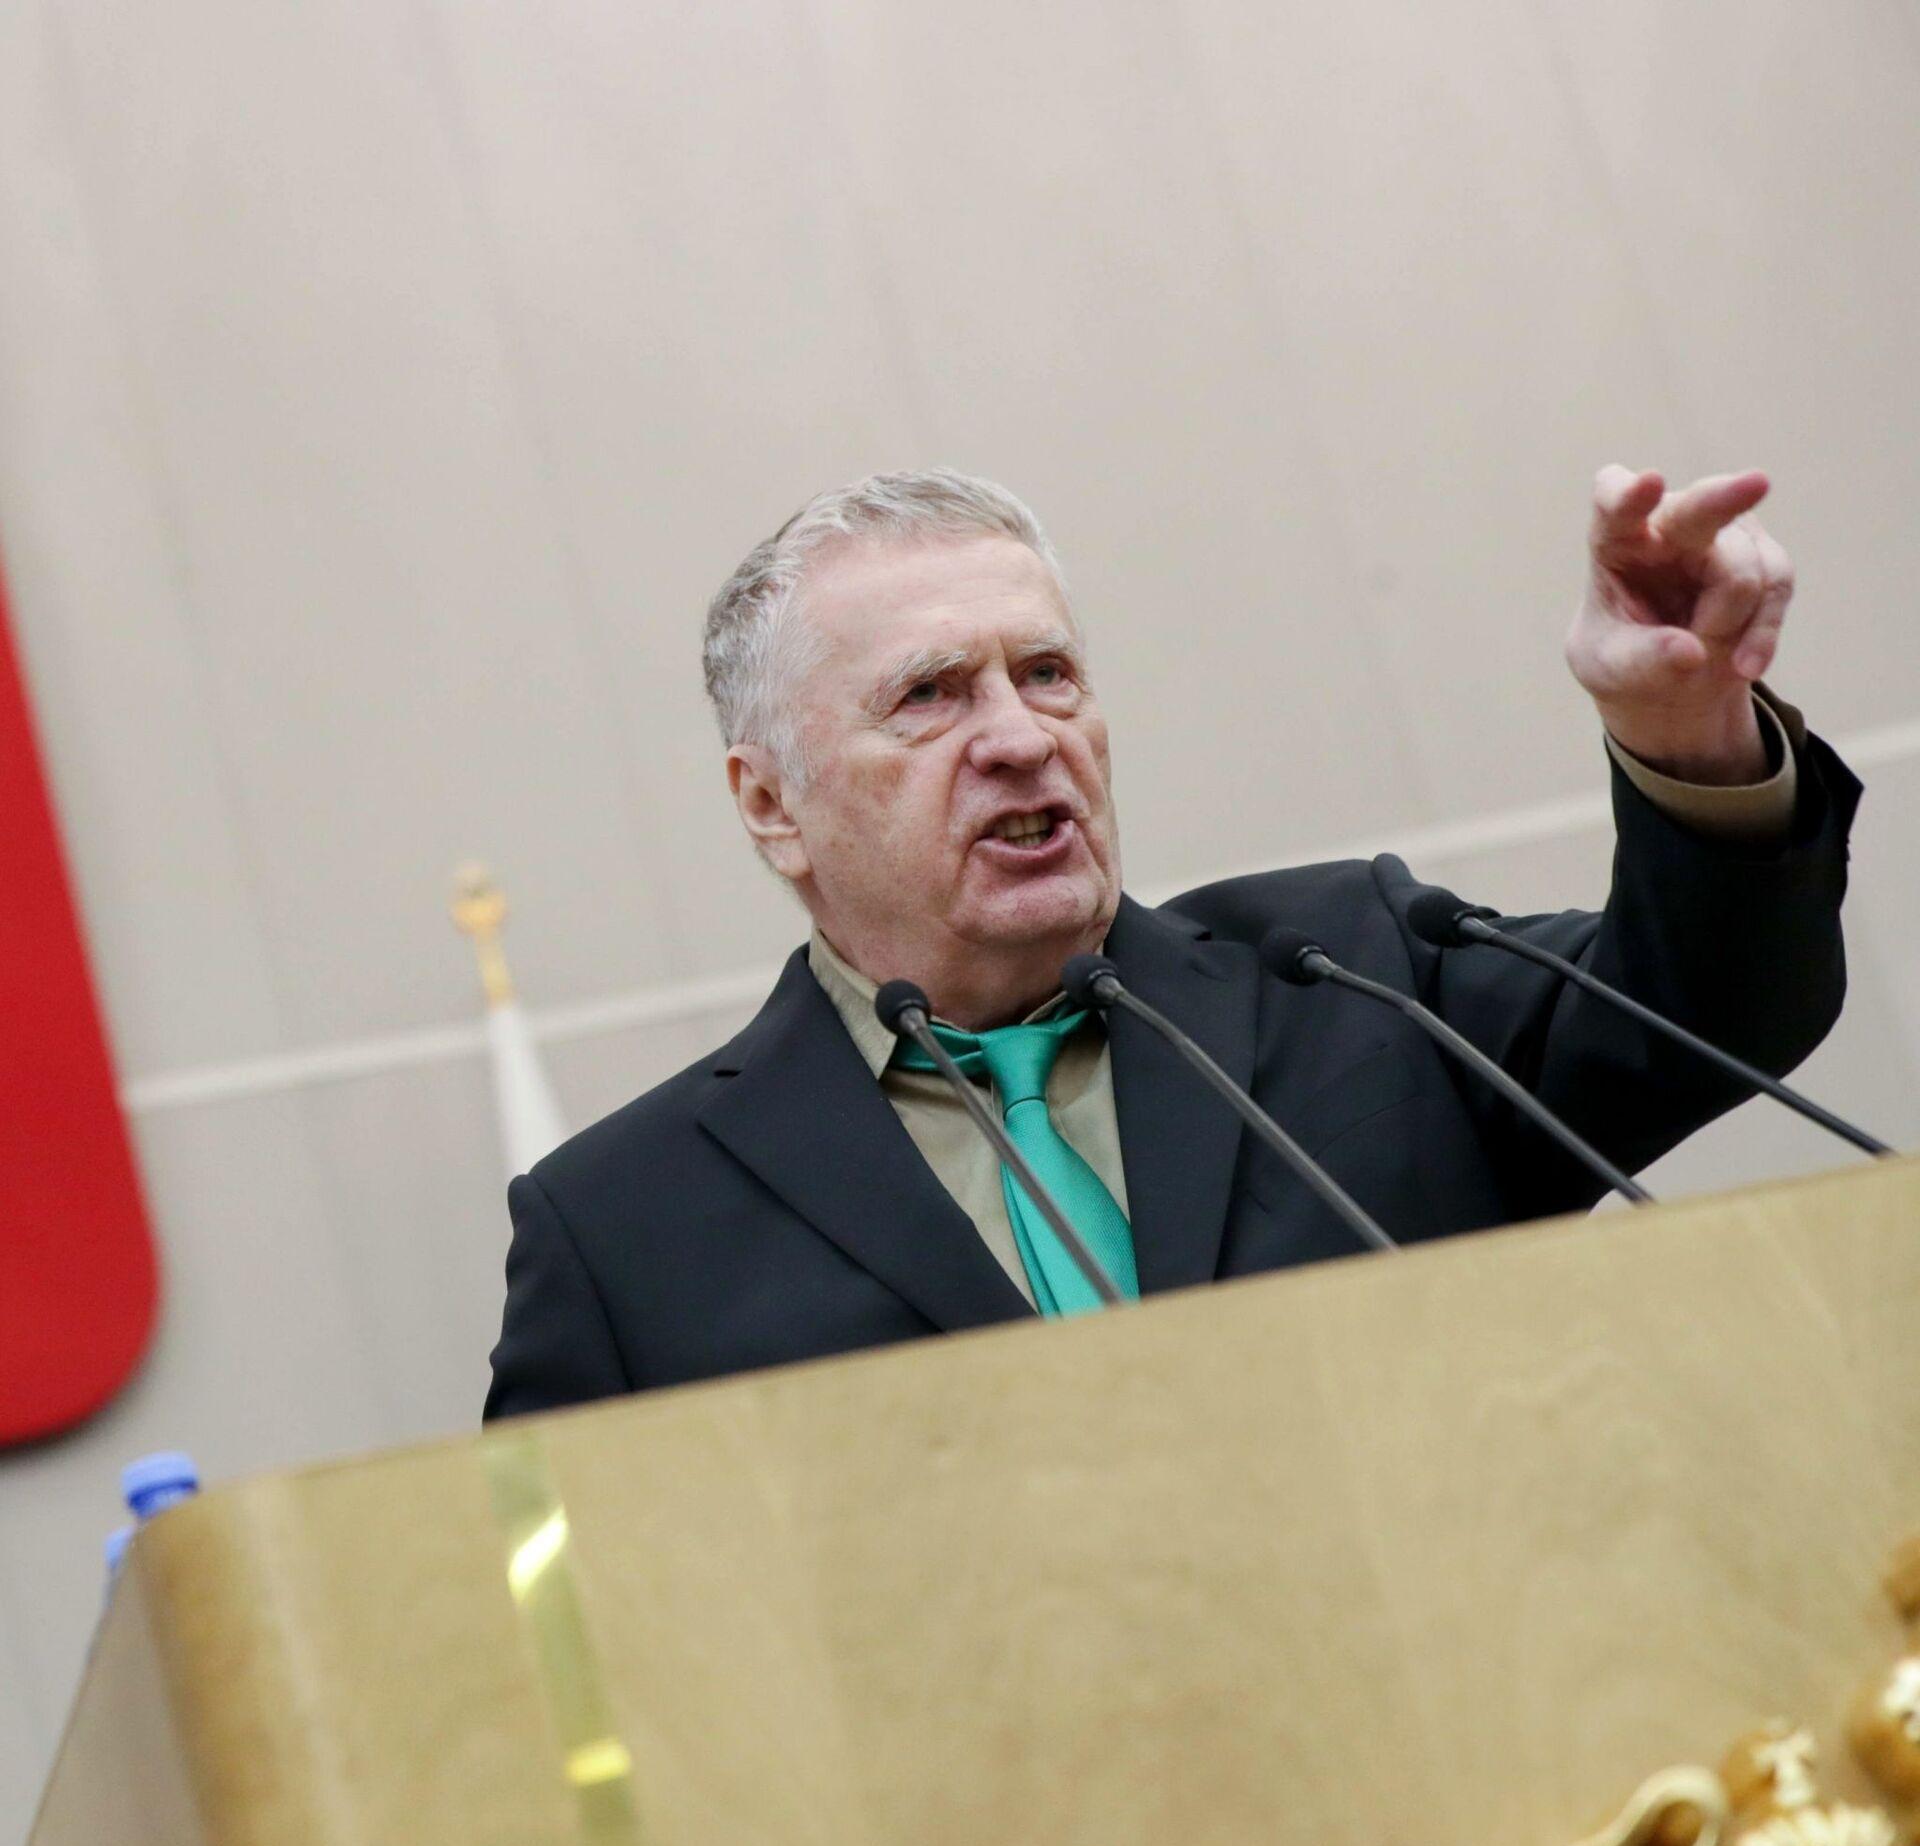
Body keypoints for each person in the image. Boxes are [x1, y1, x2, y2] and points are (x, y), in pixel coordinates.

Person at [484, 466, 1859, 1418]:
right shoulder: (621, 1231)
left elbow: (1713, 1010)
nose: (1021, 737)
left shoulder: (1351, 974)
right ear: (771, 805)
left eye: (1047, 674)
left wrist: (1685, 733)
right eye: (931, 696)